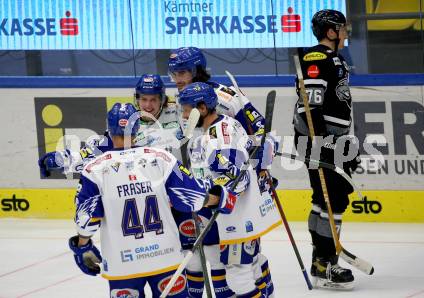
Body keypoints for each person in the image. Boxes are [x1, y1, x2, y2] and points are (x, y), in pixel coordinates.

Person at [68, 102, 237, 298]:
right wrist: (222, 197)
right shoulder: (161, 158)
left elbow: (86, 220)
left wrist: (83, 246)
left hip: (122, 264)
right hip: (164, 258)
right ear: (137, 127)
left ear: (109, 129)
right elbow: (192, 198)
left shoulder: (93, 169)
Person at [168, 47, 278, 298]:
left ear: (197, 70)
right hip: (210, 188)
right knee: (220, 257)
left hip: (233, 192)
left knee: (242, 261)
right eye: (173, 73)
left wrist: (260, 170)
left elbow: (262, 133)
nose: (177, 79)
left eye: (183, 72)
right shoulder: (184, 97)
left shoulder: (225, 96)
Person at [292, 9, 360, 290]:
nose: (345, 32)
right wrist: (321, 141)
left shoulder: (334, 58)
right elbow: (310, 106)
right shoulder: (317, 57)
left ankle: (321, 261)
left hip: (333, 138)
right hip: (318, 138)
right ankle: (326, 263)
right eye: (342, 28)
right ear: (331, 31)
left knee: (329, 200)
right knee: (331, 200)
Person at [38, 74, 183, 176]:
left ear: (162, 99)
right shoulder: (127, 122)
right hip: (142, 188)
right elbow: (96, 154)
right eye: (144, 99)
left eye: (153, 100)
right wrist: (61, 159)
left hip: (173, 186)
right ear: (137, 99)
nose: (148, 105)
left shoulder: (178, 112)